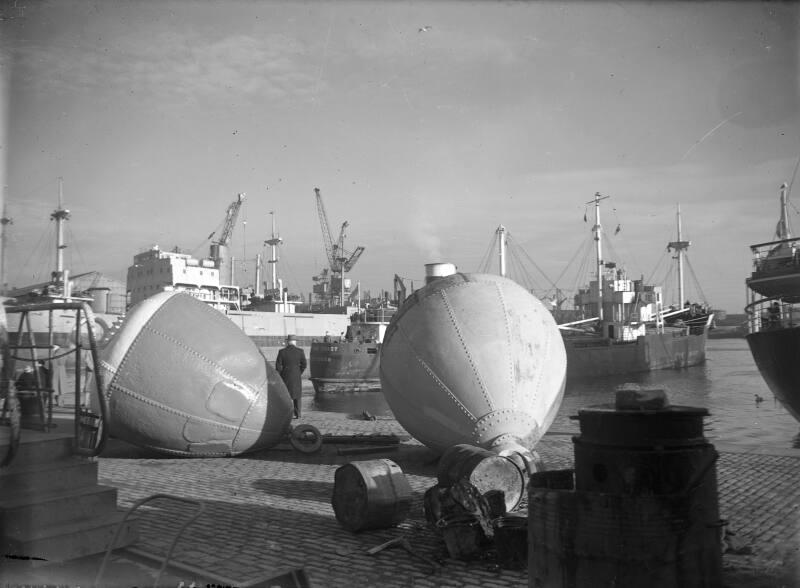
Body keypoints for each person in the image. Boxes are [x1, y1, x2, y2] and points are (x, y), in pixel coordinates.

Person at [276, 334, 307, 419]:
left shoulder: (282, 352)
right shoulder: (300, 351)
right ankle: (298, 414)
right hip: (296, 376)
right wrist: (299, 372)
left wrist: (281, 375)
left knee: (286, 396)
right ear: (295, 342)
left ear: (287, 342)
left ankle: (287, 414)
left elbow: (278, 366)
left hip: (285, 376)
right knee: (297, 395)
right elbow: (304, 364)